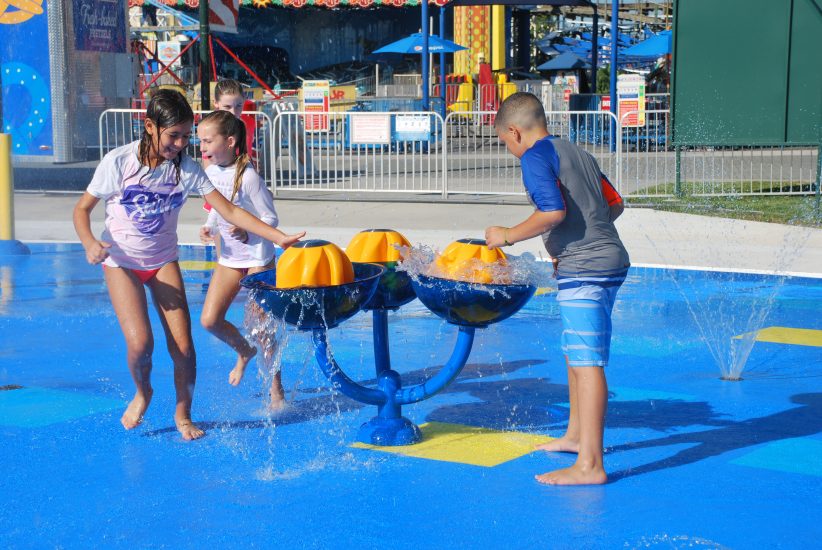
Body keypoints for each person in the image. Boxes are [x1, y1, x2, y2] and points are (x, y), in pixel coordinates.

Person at [72, 89, 305, 440]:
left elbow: (229, 210)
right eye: (173, 135)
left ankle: (183, 414)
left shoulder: (187, 169)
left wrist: (277, 236)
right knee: (140, 346)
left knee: (183, 347)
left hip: (163, 261)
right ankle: (143, 391)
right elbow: (82, 209)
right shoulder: (119, 163)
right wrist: (90, 242)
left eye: (186, 135)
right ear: (150, 126)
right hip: (121, 261)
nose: (181, 144)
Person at [484, 92, 630, 486]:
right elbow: (614, 205)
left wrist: (508, 235)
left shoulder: (534, 157)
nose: (510, 151)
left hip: (586, 268)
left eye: (504, 142)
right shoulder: (576, 151)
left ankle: (590, 465)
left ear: (514, 131)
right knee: (575, 353)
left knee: (587, 362)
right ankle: (576, 436)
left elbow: (553, 212)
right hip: (608, 260)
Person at [197, 110, 286, 410]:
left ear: (230, 141)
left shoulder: (248, 177)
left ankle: (277, 388)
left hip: (258, 256)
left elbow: (270, 217)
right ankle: (243, 350)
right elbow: (217, 205)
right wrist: (210, 225)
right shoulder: (210, 173)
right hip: (232, 257)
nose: (202, 147)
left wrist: (244, 227)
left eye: (208, 141)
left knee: (262, 328)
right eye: (201, 141)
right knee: (209, 320)